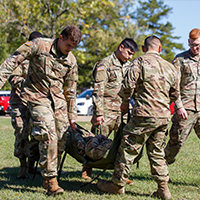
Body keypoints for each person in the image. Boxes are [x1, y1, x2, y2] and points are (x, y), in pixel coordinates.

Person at [0, 25, 82, 196]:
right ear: (60, 38)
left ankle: (47, 171)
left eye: (73, 47)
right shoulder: (38, 45)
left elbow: (71, 91)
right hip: (36, 96)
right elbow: (12, 62)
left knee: (61, 137)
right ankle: (51, 181)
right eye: (68, 45)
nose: (69, 50)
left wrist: (72, 115)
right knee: (48, 133)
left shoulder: (71, 60)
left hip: (58, 101)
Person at [97, 36, 180, 200]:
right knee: (157, 152)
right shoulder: (171, 67)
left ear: (143, 48)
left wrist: (125, 102)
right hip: (163, 117)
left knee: (128, 148)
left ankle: (117, 184)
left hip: (142, 114)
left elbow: (127, 86)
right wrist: (162, 105)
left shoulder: (139, 62)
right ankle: (163, 189)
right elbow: (175, 94)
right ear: (160, 49)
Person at [82, 38, 138, 182]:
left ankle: (120, 174)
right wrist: (98, 113)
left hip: (122, 111)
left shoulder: (129, 66)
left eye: (132, 54)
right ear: (121, 47)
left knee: (123, 143)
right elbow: (98, 90)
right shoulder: (104, 64)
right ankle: (87, 169)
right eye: (129, 53)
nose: (130, 57)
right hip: (106, 111)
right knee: (97, 142)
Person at [8, 31, 44, 178]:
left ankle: (31, 166)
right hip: (20, 103)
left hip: (35, 103)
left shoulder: (42, 59)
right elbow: (13, 78)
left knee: (38, 136)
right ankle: (22, 167)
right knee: (22, 134)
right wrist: (30, 84)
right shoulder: (20, 57)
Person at [165, 28, 200, 167]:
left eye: (197, 45)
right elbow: (174, 86)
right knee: (176, 142)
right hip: (186, 109)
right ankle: (161, 169)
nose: (194, 48)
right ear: (188, 43)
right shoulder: (180, 59)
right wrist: (179, 106)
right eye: (191, 45)